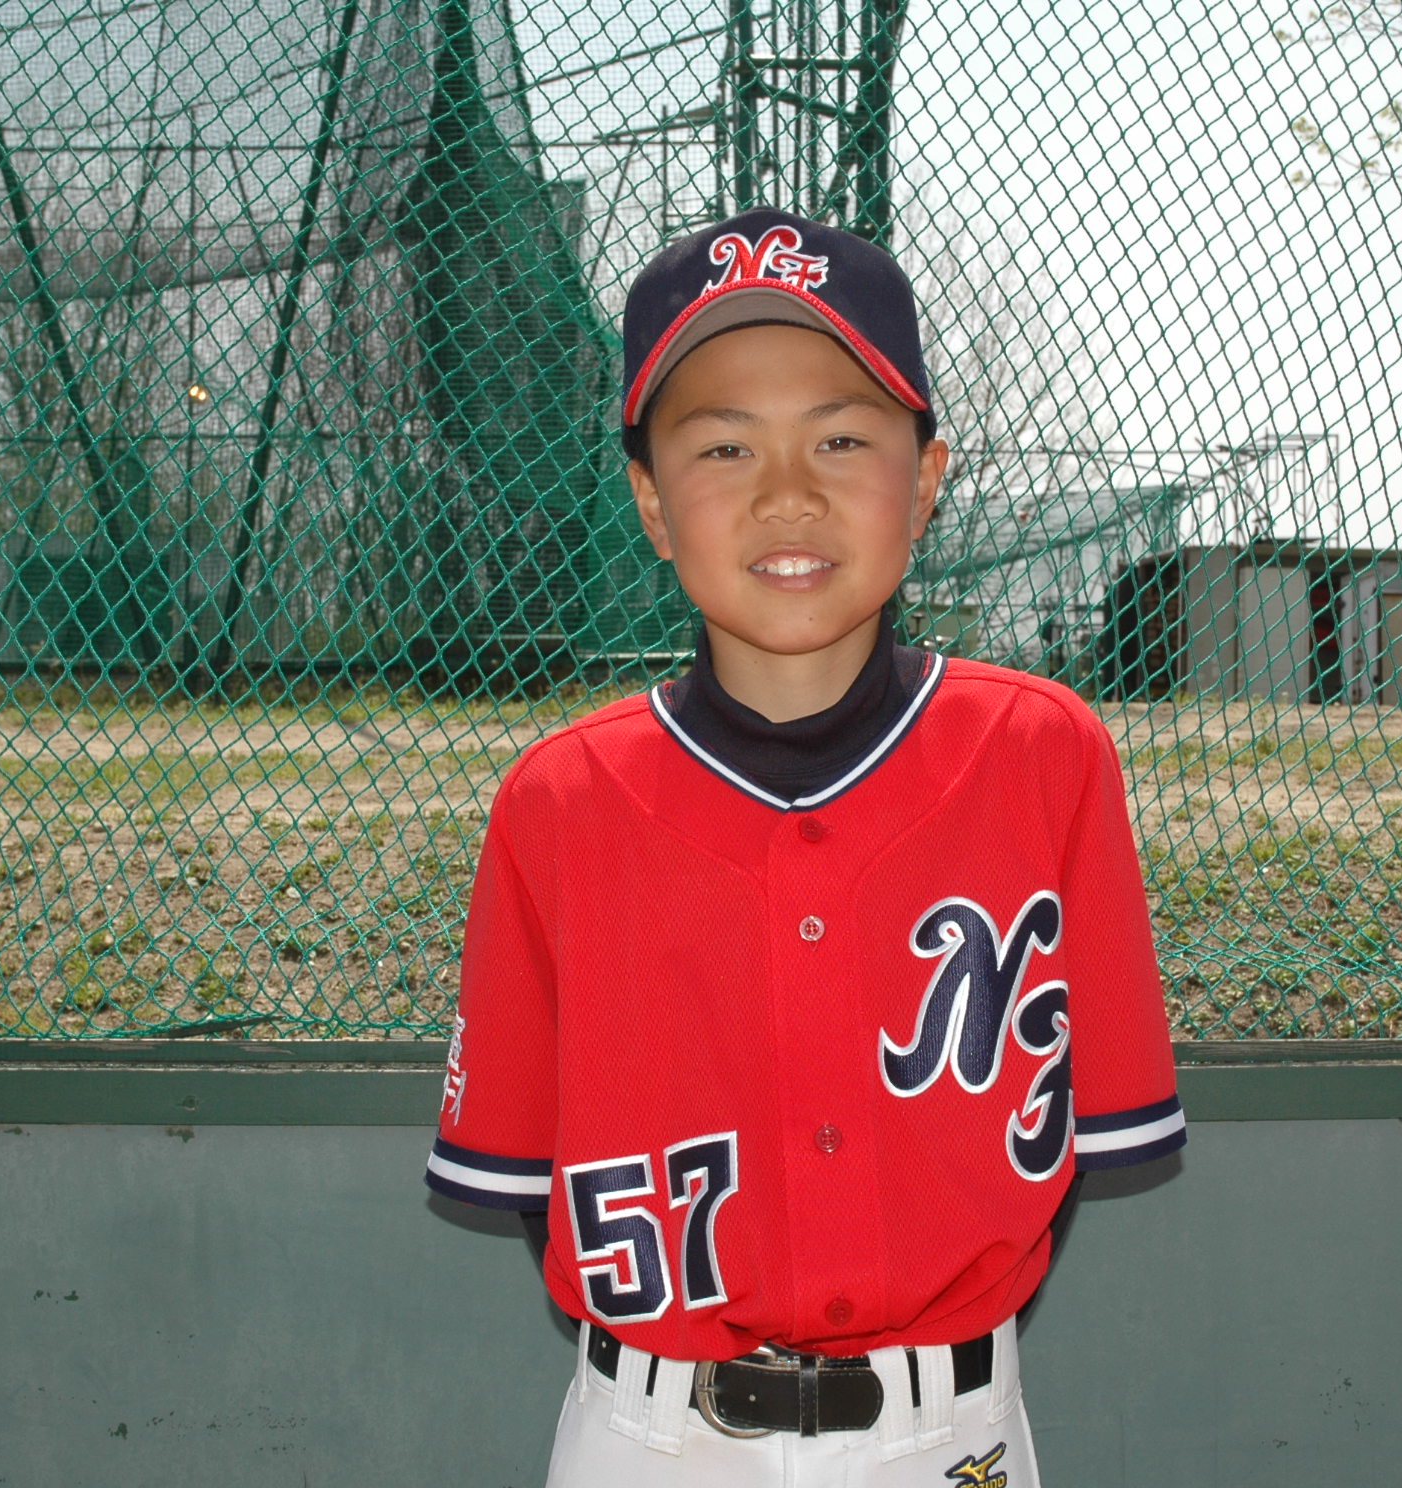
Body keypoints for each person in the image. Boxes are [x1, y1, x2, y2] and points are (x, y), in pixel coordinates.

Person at [425, 206, 1185, 1486]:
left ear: (925, 481)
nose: (788, 492)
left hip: (950, 1432)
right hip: (648, 1435)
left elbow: (1089, 1128)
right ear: (650, 503)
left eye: (839, 437)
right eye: (724, 445)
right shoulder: (558, 801)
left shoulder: (1043, 755)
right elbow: (514, 1169)